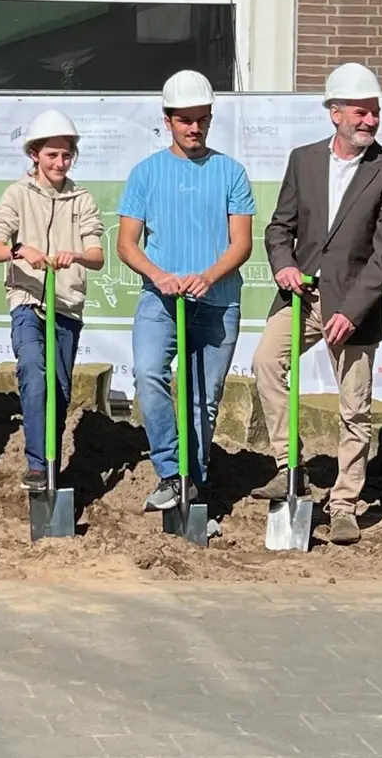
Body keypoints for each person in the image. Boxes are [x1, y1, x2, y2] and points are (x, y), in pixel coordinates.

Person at [250, 62, 382, 545]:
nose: (369, 120)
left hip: (353, 306)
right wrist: (282, 263)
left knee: (354, 408)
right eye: (361, 112)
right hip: (300, 295)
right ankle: (289, 466)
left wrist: (352, 311)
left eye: (375, 112)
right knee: (266, 362)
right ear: (334, 113)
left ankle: (345, 504)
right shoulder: (303, 160)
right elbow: (279, 228)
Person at [116, 69, 256, 513]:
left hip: (217, 304)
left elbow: (242, 243)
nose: (194, 128)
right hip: (161, 302)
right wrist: (159, 276)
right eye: (185, 120)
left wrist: (209, 276)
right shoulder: (146, 174)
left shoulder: (231, 173)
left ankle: (192, 485)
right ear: (168, 120)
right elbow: (125, 244)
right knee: (147, 376)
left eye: (202, 119)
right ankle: (169, 471)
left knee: (203, 401)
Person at [0, 109, 105, 491]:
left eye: (66, 155)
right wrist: (21, 251)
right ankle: (38, 465)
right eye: (52, 154)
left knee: (61, 390)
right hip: (28, 300)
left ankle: (52, 463)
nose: (59, 162)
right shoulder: (16, 194)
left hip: (66, 304)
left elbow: (98, 255)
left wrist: (77, 255)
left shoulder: (82, 198)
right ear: (34, 154)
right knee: (34, 375)